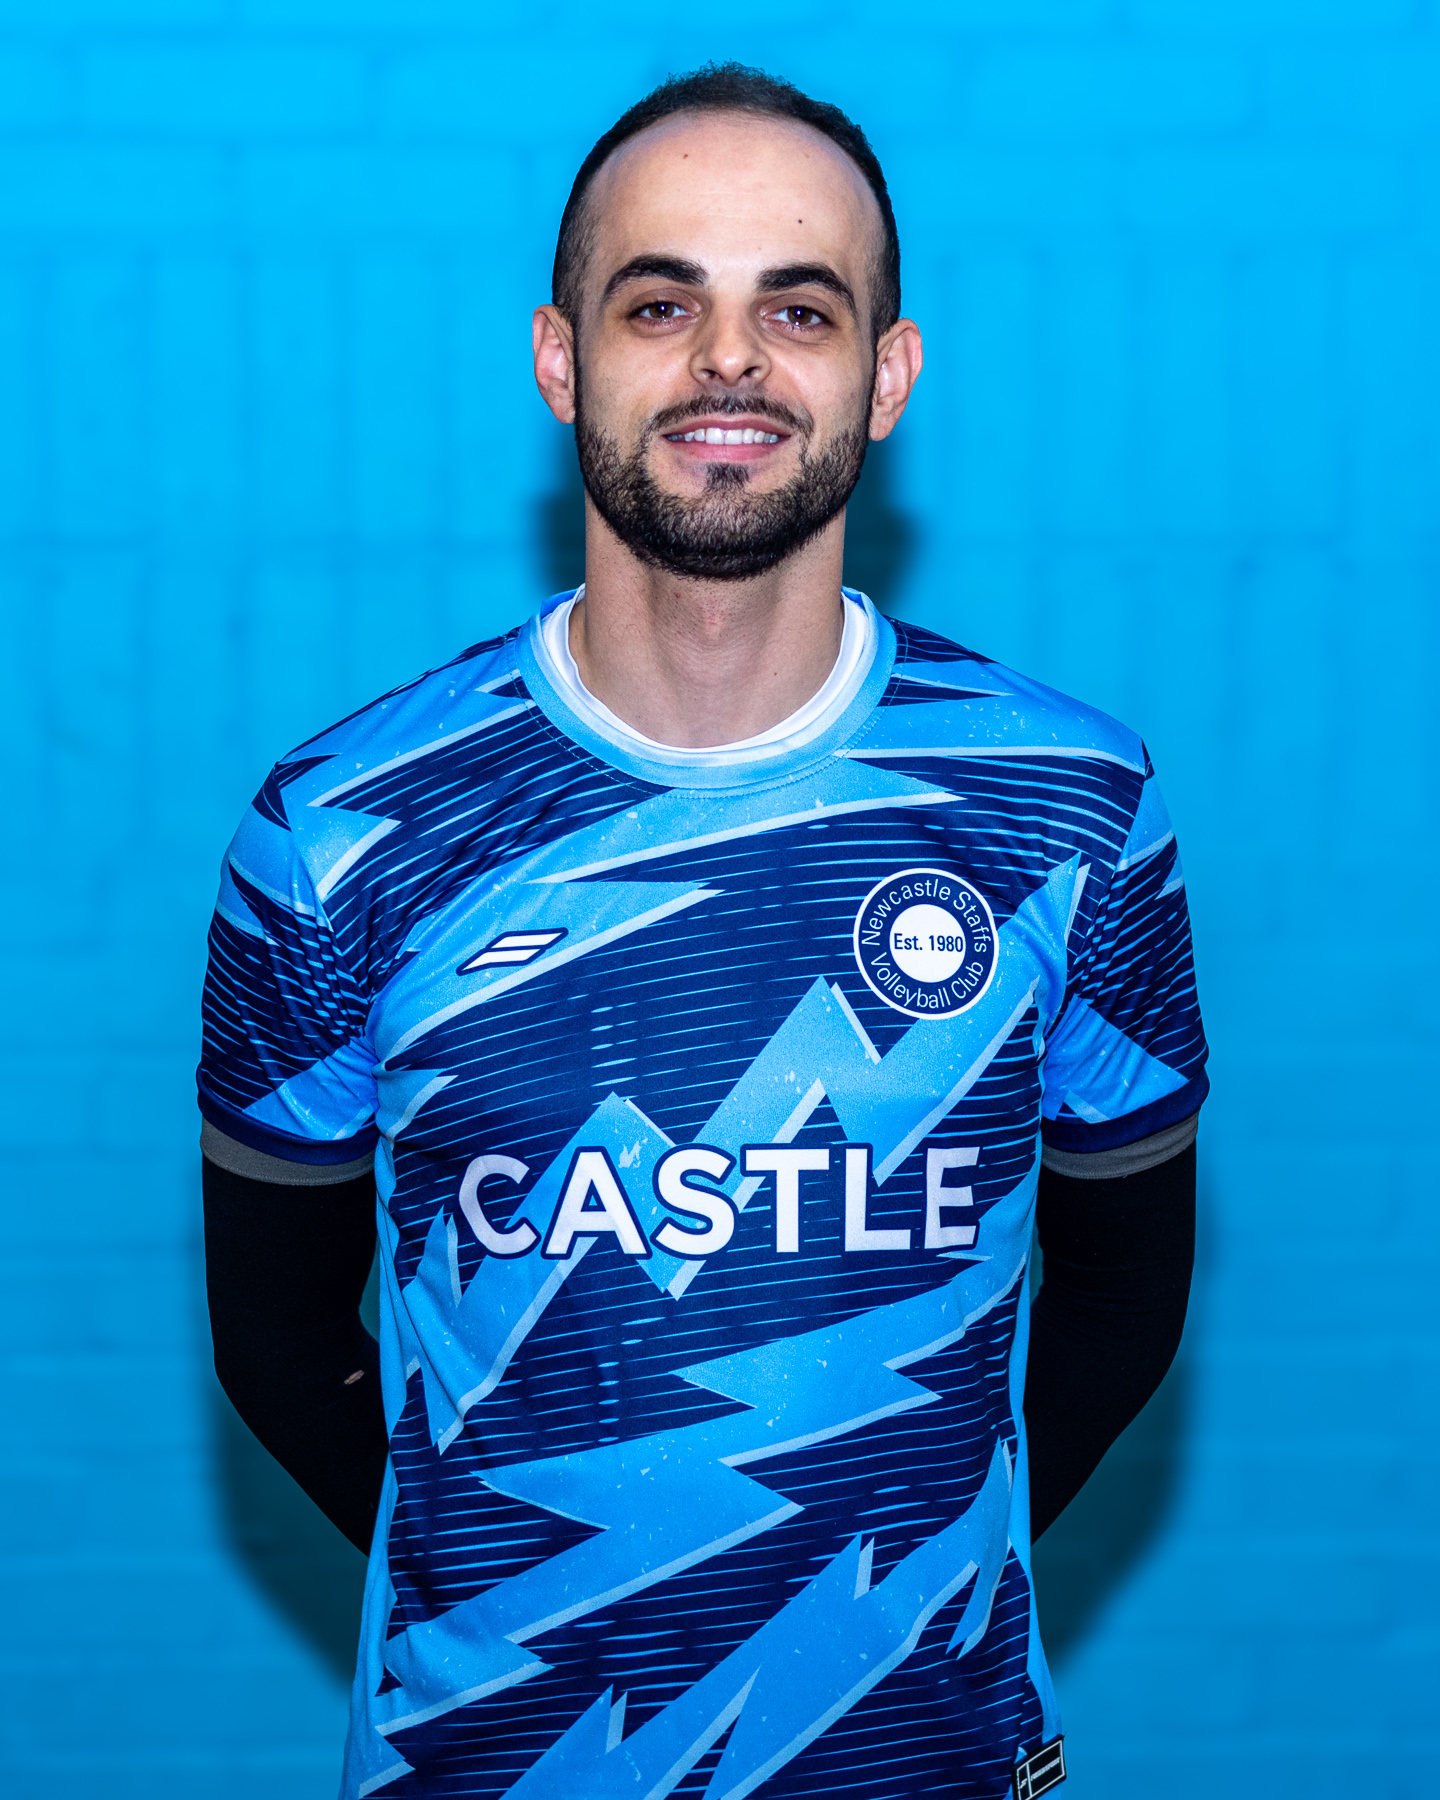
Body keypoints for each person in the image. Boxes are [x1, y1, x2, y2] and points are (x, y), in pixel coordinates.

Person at [199, 64, 1206, 1800]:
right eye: (660, 304)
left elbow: (1126, 1298)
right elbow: (277, 1340)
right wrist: (524, 1601)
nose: (728, 360)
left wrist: (878, 1600)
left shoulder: (1072, 811)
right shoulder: (341, 832)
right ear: (560, 359)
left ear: (886, 376)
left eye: (797, 309)